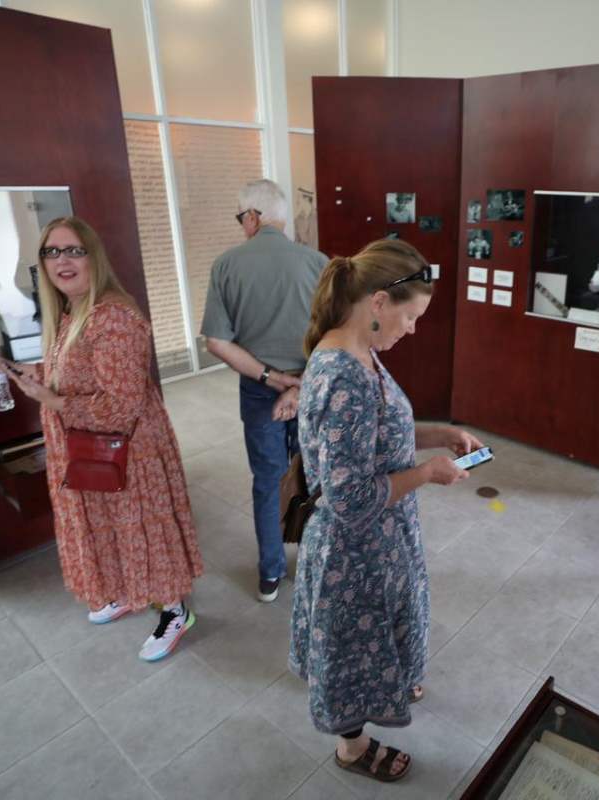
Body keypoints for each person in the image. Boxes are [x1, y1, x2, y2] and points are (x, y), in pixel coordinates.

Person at [289, 239, 482, 783]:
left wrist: (436, 434)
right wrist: (428, 473)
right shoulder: (344, 377)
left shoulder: (359, 351)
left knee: (377, 638)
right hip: (355, 553)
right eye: (411, 316)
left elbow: (377, 437)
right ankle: (352, 749)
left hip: (380, 539)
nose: (413, 329)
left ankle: (390, 683)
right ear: (378, 302)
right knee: (353, 648)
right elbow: (349, 498)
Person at [0, 216, 203, 661]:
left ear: (93, 257)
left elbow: (121, 406)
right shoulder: (75, 311)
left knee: (141, 526)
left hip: (127, 451)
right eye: (51, 252)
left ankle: (174, 611)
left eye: (73, 250)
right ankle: (124, 590)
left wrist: (55, 402)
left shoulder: (113, 316)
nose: (62, 260)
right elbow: (71, 375)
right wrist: (20, 371)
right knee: (110, 529)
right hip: (89, 447)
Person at [202, 179, 327, 602]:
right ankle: (313, 561)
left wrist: (270, 379)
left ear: (253, 217)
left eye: (242, 218)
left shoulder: (226, 265)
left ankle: (271, 573)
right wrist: (302, 381)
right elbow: (334, 336)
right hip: (313, 386)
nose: (242, 227)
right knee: (314, 477)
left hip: (259, 391)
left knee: (268, 481)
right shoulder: (319, 263)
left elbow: (217, 341)